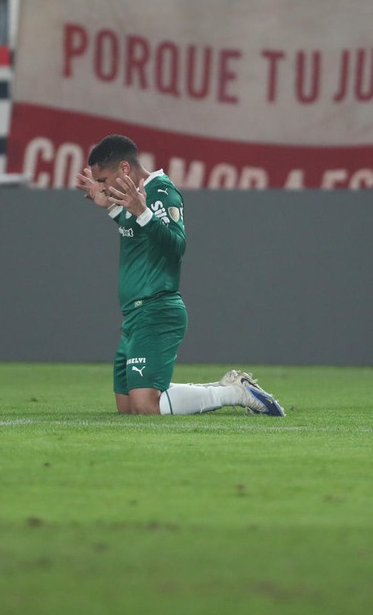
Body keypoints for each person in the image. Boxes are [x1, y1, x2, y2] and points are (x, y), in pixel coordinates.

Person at [74, 134, 286, 417]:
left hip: (156, 309)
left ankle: (236, 393)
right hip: (135, 315)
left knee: (145, 406)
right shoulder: (133, 200)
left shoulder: (161, 192)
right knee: (127, 408)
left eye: (103, 180)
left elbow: (176, 247)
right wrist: (113, 208)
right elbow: (140, 236)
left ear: (124, 169)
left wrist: (142, 212)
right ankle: (223, 386)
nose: (101, 187)